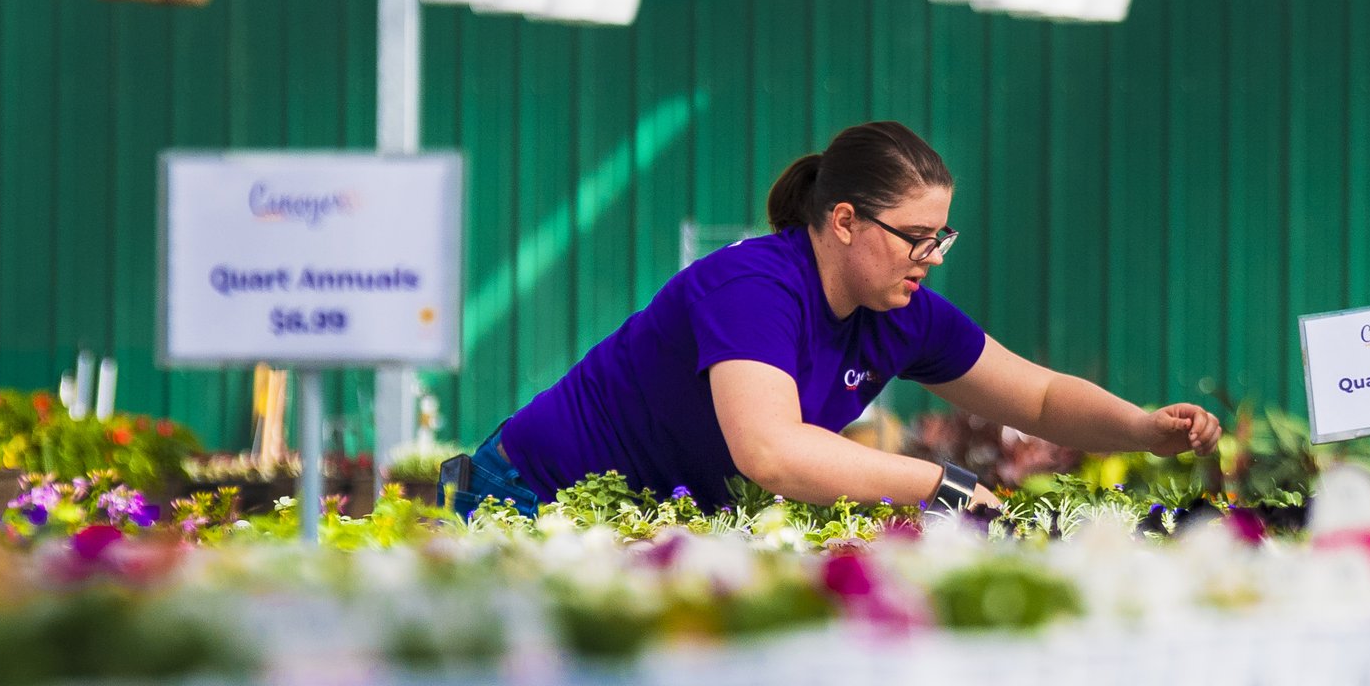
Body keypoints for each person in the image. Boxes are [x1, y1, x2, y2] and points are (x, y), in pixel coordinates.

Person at [440, 120, 1222, 516]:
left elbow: (1043, 400)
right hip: (526, 496)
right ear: (844, 220)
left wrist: (1146, 428)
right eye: (917, 238)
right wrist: (942, 486)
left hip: (645, 525)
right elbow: (771, 453)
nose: (931, 257)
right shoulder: (751, 284)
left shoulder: (902, 309)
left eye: (941, 238)